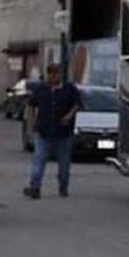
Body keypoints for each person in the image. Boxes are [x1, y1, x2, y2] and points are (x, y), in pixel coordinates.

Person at [23, 62, 80, 199]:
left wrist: (69, 116)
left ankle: (63, 187)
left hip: (63, 133)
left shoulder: (69, 89)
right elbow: (31, 105)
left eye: (55, 73)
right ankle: (35, 188)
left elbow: (77, 104)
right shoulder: (41, 89)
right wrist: (31, 123)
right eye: (50, 73)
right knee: (38, 160)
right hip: (44, 131)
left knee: (64, 164)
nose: (53, 76)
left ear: (60, 74)